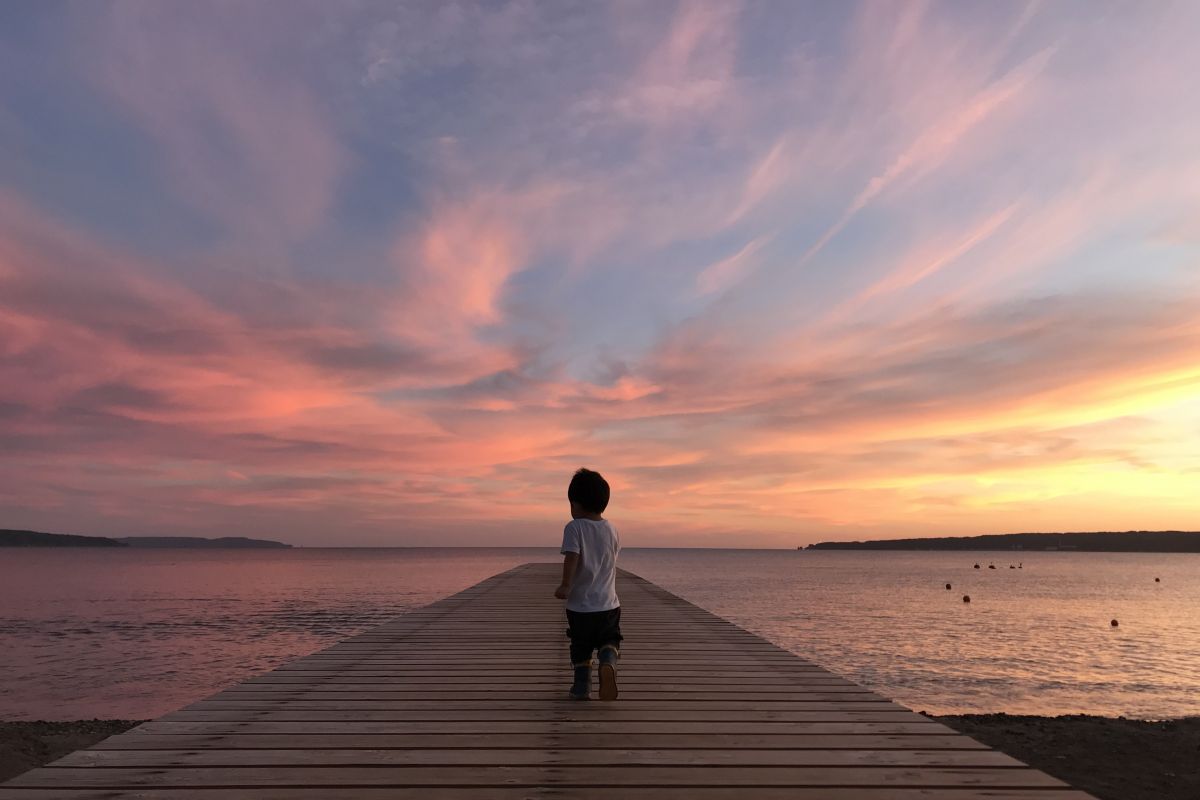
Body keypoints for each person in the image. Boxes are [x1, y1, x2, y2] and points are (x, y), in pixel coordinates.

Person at [554, 468, 621, 700]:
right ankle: (608, 659)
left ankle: (582, 687)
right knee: (609, 639)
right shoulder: (612, 529)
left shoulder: (574, 527)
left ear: (576, 504)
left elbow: (572, 557)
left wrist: (565, 585)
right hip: (609, 604)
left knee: (581, 646)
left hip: (581, 607)